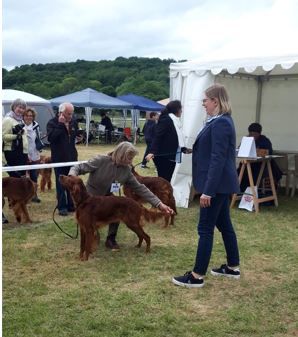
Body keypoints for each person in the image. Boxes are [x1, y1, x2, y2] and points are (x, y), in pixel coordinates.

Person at [172, 83, 240, 288]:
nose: (203, 104)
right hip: (220, 184)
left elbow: (218, 159)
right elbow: (213, 151)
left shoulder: (221, 123)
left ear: (215, 101)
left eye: (205, 100)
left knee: (205, 229)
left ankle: (197, 275)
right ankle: (232, 267)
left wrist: (208, 191)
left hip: (216, 186)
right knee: (225, 226)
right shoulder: (219, 121)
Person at [68, 141, 174, 251]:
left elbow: (140, 188)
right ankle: (89, 240)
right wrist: (72, 176)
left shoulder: (126, 170)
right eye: (129, 158)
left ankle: (111, 239)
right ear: (121, 155)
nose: (131, 162)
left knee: (117, 210)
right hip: (90, 197)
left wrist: (160, 204)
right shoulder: (101, 160)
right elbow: (78, 167)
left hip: (107, 196)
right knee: (88, 223)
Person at [47, 102, 82, 216]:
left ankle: (71, 205)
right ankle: (62, 206)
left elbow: (75, 134)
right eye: (68, 114)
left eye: (72, 113)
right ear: (61, 112)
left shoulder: (73, 122)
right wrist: (61, 125)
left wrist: (80, 136)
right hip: (59, 158)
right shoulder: (52, 123)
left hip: (71, 157)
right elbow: (51, 138)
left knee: (71, 182)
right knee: (61, 183)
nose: (70, 116)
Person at [146, 100, 192, 182]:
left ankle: (164, 194)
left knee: (166, 181)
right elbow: (158, 136)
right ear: (176, 109)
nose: (182, 111)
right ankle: (161, 195)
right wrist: (152, 152)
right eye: (180, 109)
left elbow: (173, 139)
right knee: (164, 182)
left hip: (170, 156)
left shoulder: (173, 120)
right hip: (163, 157)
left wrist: (183, 149)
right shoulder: (167, 119)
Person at [238, 122, 282, 192]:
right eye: (251, 134)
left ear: (259, 133)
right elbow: (240, 150)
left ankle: (256, 191)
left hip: (261, 165)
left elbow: (269, 152)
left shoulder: (264, 140)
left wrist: (258, 151)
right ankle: (241, 191)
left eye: (255, 134)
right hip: (249, 164)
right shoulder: (246, 139)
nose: (253, 136)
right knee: (240, 171)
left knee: (262, 172)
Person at [2, 98, 28, 177]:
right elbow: (3, 136)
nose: (21, 110)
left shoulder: (21, 120)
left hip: (22, 153)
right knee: (15, 178)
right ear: (14, 107)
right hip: (12, 152)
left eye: (23, 108)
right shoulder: (8, 119)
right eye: (19, 107)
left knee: (21, 177)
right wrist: (16, 136)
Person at [23, 107, 44, 203]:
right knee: (23, 176)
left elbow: (38, 138)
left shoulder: (36, 125)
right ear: (24, 116)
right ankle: (24, 196)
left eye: (31, 116)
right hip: (23, 153)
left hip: (34, 153)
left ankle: (34, 195)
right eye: (27, 115)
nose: (29, 117)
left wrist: (40, 147)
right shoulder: (20, 125)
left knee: (34, 176)